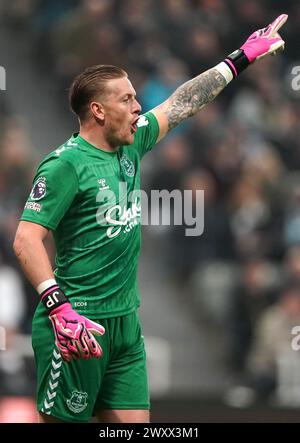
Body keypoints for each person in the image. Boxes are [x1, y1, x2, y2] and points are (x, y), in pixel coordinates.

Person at [13, 14, 288, 423]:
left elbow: (182, 103)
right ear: (98, 111)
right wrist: (59, 310)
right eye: (126, 99)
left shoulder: (132, 142)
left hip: (126, 324)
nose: (138, 106)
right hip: (76, 325)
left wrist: (239, 59)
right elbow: (26, 240)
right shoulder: (64, 166)